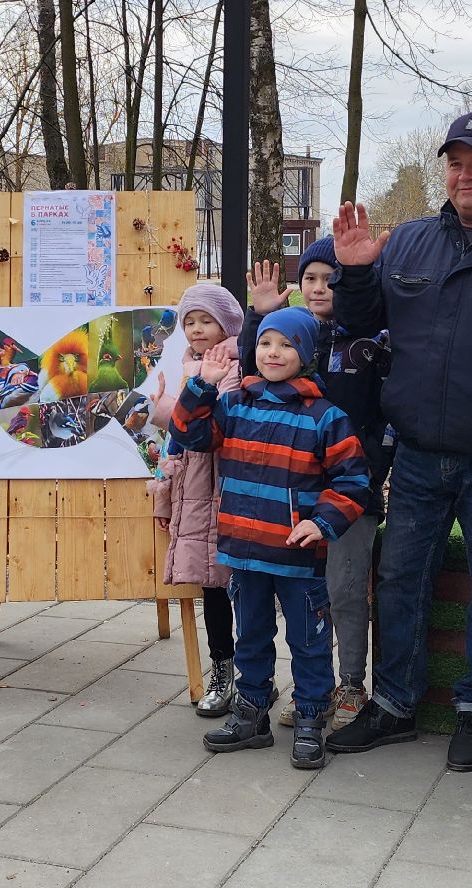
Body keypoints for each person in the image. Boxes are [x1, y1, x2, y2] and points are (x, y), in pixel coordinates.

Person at [326, 109, 472, 771]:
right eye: (455, 162)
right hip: (419, 452)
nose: (465, 174)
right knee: (400, 579)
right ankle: (395, 706)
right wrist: (351, 273)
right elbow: (361, 324)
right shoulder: (409, 244)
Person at [172, 307, 373, 770]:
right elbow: (189, 435)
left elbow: (353, 482)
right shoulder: (236, 403)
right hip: (244, 552)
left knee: (308, 641)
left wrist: (320, 523)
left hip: (297, 558)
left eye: (285, 344)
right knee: (252, 638)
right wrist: (202, 384)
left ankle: (308, 717)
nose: (273, 352)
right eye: (265, 343)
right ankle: (251, 713)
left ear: (304, 354)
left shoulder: (325, 417)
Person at [242, 240, 391, 731]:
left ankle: (349, 682)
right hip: (290, 496)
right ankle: (314, 689)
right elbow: (254, 381)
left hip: (347, 492)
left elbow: (381, 408)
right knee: (305, 599)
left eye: (332, 278)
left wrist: (372, 467)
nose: (320, 287)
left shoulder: (367, 337)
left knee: (346, 590)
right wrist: (258, 319)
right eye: (311, 278)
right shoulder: (287, 339)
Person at [145, 282, 245, 717]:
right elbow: (175, 447)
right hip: (195, 498)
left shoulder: (243, 365)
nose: (198, 329)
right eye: (189, 322)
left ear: (227, 323)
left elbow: (222, 426)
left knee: (247, 590)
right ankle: (222, 670)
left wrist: (193, 397)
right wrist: (164, 500)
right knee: (212, 588)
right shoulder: (187, 366)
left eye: (206, 320)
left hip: (231, 493)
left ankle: (257, 678)